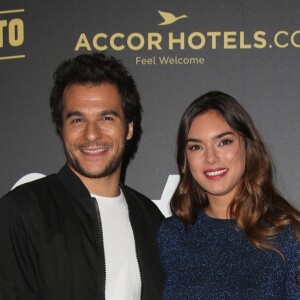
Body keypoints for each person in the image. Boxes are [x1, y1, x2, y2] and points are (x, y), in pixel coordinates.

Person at [0, 52, 164, 300]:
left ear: (129, 127)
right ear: (61, 129)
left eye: (106, 118)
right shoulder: (22, 211)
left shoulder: (151, 218)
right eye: (77, 120)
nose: (91, 134)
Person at [157, 91, 300, 299]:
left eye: (224, 142)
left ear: (247, 145)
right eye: (196, 147)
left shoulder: (288, 236)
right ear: (186, 159)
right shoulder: (172, 236)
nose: (211, 158)